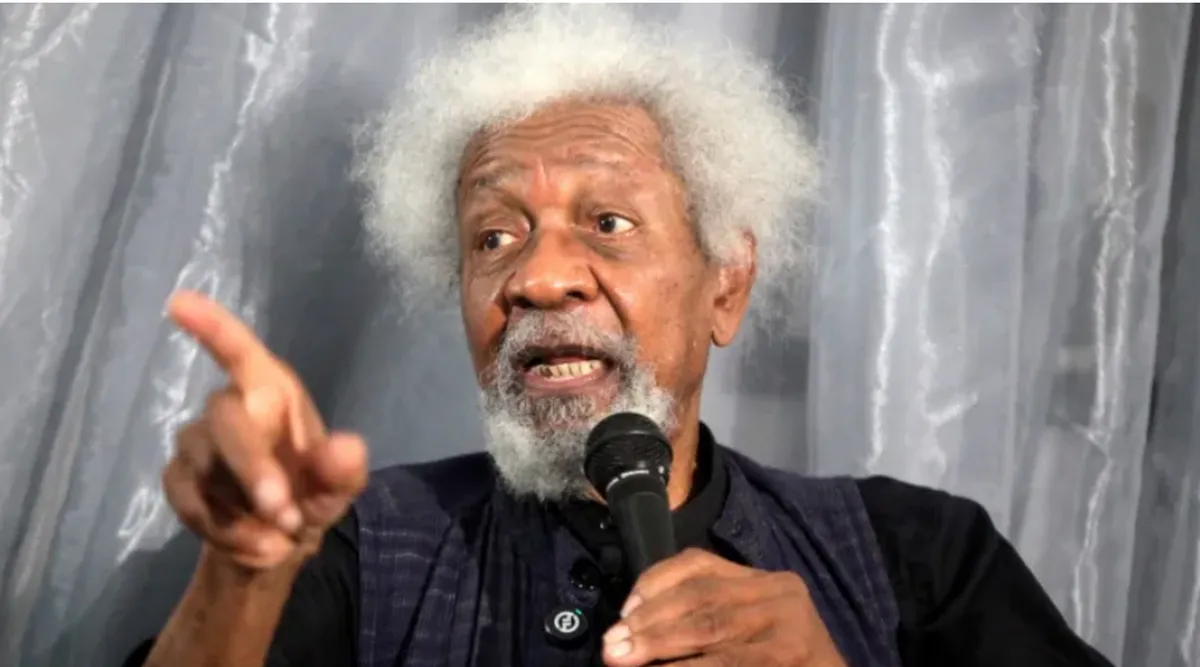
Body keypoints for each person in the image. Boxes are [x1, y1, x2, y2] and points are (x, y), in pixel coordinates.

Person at [133, 6, 1113, 667]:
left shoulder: (920, 556)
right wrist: (243, 576)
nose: (537, 277)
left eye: (607, 222)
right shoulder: (358, 548)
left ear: (726, 284)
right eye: (493, 236)